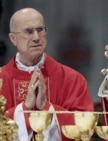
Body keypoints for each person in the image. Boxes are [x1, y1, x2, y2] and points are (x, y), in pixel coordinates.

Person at [0, 7, 94, 141]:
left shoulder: (73, 80)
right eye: (29, 31)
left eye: (40, 30)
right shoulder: (1, 79)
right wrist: (24, 108)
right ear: (13, 38)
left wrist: (47, 107)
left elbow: (84, 131)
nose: (36, 37)